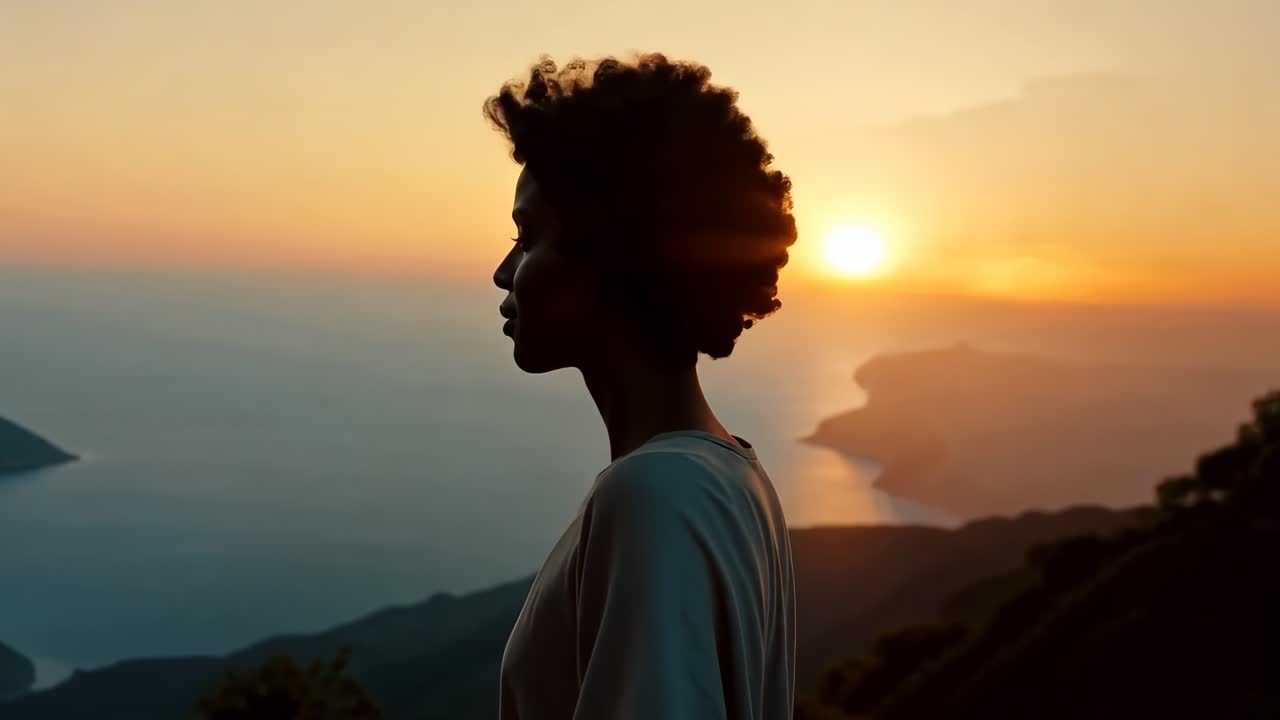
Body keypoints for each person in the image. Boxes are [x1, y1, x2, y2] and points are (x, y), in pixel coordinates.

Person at [486, 53, 798, 720]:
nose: (502, 271)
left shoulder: (655, 495)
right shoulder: (733, 478)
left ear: (615, 257)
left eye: (528, 237)